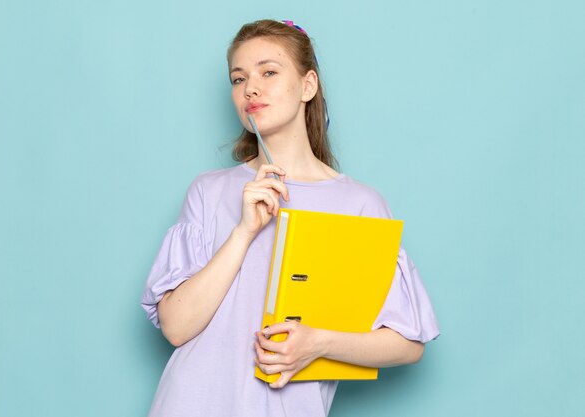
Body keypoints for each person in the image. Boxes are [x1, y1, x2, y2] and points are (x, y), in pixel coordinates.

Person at [141, 19, 439, 417]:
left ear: (308, 86)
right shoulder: (208, 192)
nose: (250, 88)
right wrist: (244, 232)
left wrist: (317, 343)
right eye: (238, 78)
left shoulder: (360, 203)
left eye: (269, 72)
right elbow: (176, 327)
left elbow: (408, 343)